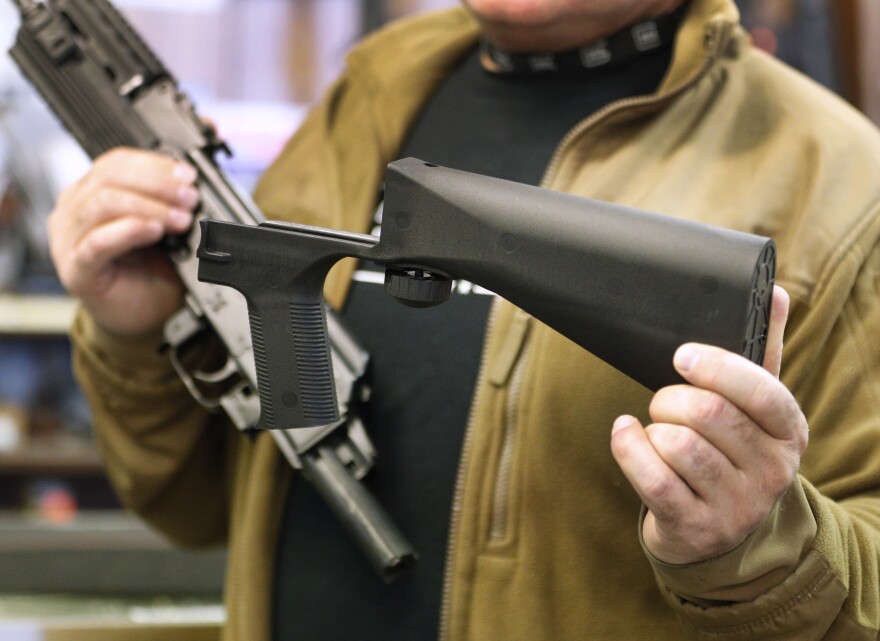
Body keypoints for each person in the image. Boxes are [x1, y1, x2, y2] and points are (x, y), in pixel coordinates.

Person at [46, 0, 880, 639]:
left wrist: (756, 546)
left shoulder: (835, 183)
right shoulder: (367, 99)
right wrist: (137, 332)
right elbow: (201, 508)